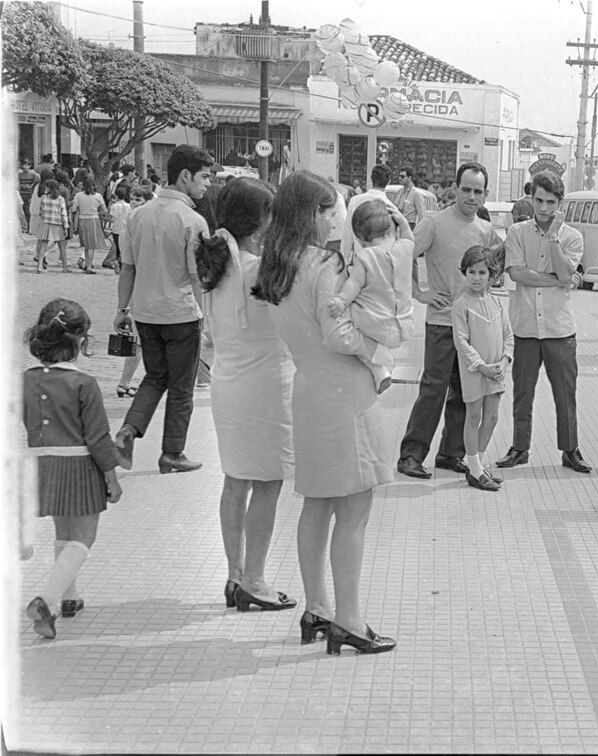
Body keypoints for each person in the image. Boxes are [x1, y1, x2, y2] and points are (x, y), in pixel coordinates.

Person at [254, 170, 395, 655]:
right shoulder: (325, 263)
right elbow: (339, 334)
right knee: (354, 510)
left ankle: (317, 607)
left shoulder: (275, 266)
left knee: (317, 504)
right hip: (344, 392)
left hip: (309, 387)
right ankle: (349, 620)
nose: (336, 219)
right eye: (331, 210)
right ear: (311, 213)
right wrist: (378, 352)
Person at [194, 177, 296, 614]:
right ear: (260, 224)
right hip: (268, 387)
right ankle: (255, 579)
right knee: (268, 483)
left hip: (228, 386)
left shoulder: (215, 268)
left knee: (235, 481)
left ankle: (235, 575)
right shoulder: (263, 272)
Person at [22, 299, 123, 639]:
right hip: (79, 465)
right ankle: (47, 601)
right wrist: (111, 477)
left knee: (63, 532)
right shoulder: (84, 384)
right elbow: (98, 437)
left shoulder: (26, 380)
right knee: (83, 537)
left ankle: (70, 597)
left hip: (43, 464)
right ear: (80, 339)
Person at [111, 145, 214, 475]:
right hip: (181, 315)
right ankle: (172, 453)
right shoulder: (193, 221)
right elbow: (197, 277)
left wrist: (122, 309)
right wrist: (208, 319)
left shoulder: (137, 215)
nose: (207, 184)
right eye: (204, 177)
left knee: (155, 377)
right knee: (182, 388)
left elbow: (127, 269)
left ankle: (129, 429)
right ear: (185, 175)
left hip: (144, 313)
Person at [396, 162, 503, 479]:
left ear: (485, 194)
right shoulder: (433, 223)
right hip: (442, 322)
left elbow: (496, 265)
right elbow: (403, 256)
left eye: (478, 191)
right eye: (466, 189)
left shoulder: (485, 230)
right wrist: (419, 293)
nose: (471, 197)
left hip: (474, 326)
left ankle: (451, 453)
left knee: (465, 393)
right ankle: (411, 455)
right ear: (455, 189)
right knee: (433, 389)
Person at [496, 170, 592, 474]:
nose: (544, 208)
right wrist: (560, 280)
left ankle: (570, 450)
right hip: (524, 326)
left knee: (565, 393)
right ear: (531, 198)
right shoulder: (517, 232)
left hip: (559, 328)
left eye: (551, 202)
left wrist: (553, 239)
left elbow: (565, 272)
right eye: (539, 200)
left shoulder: (572, 236)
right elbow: (516, 273)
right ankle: (519, 448)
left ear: (559, 203)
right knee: (522, 392)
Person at [327, 199, 416, 394]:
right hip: (402, 325)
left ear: (360, 240)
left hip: (375, 324)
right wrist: (403, 222)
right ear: (394, 229)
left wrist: (341, 301)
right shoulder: (405, 249)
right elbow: (410, 238)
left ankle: (377, 363)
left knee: (344, 320)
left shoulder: (366, 257)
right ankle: (380, 369)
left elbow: (354, 283)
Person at [451, 246, 514, 492]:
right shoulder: (461, 304)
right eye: (471, 272)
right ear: (464, 273)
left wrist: (504, 362)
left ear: (491, 275)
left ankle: (475, 463)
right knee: (474, 415)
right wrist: (481, 366)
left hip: (496, 370)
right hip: (474, 370)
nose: (476, 278)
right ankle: (475, 470)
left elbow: (508, 335)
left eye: (482, 272)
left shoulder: (497, 302)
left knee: (492, 417)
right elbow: (461, 341)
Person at [114, 187, 153, 399]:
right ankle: (127, 382)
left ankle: (125, 382)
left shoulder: (133, 223)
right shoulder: (132, 224)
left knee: (138, 341)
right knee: (139, 342)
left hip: (139, 291)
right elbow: (128, 267)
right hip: (143, 291)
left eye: (138, 199)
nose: (134, 203)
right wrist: (123, 307)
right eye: (133, 199)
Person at [344, 164, 403, 257]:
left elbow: (348, 232)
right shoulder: (391, 208)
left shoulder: (355, 201)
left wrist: (345, 258)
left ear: (371, 179)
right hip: (382, 260)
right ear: (389, 181)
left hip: (359, 257)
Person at [70, 177, 108, 274]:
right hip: (94, 219)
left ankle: (87, 264)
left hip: (82, 219)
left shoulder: (78, 195)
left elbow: (73, 209)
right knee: (91, 245)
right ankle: (89, 267)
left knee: (86, 245)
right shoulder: (98, 196)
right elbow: (105, 210)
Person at [35, 179, 70, 274]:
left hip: (46, 223)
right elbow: (63, 214)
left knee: (43, 245)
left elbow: (41, 211)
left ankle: (39, 266)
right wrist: (66, 227)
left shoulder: (43, 197)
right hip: (57, 223)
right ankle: (65, 267)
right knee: (62, 246)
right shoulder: (60, 199)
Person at [19, 159, 38, 233]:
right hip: (22, 194)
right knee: (23, 212)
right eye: (24, 165)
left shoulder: (34, 174)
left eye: (27, 165)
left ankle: (30, 227)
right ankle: (25, 227)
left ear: (30, 166)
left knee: (28, 212)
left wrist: (32, 193)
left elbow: (36, 183)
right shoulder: (19, 174)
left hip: (29, 195)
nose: (26, 167)